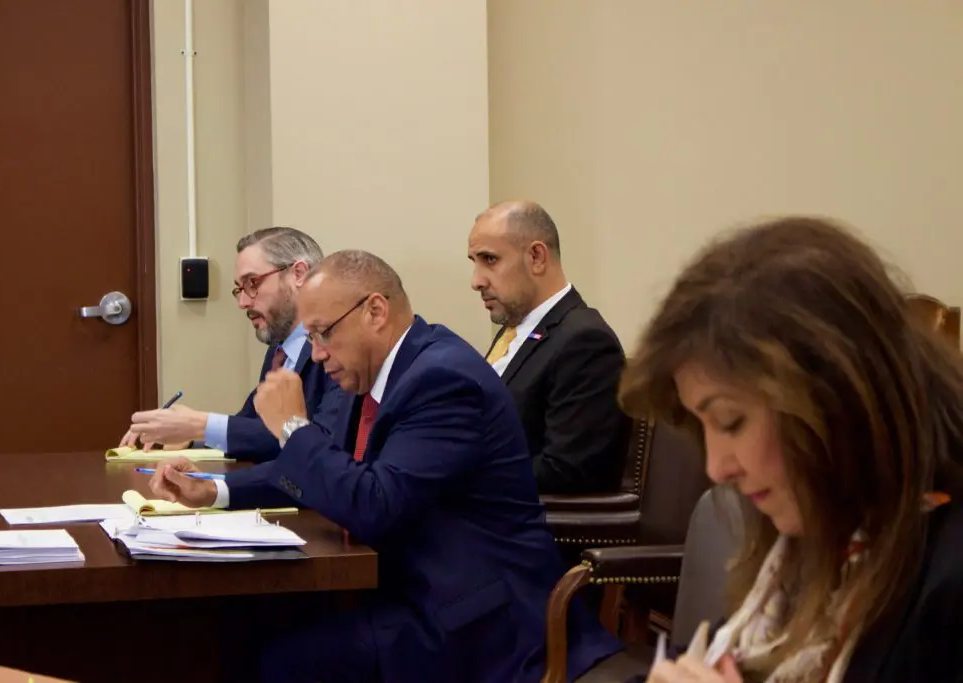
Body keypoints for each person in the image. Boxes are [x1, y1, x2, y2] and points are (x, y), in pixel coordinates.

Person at [149, 250, 622, 682]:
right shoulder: (379, 372)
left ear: (375, 311)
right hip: (406, 589)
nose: (316, 354)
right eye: (311, 336)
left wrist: (294, 428)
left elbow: (374, 503)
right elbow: (335, 467)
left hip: (472, 619)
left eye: (323, 333)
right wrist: (216, 494)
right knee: (238, 627)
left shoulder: (442, 379)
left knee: (279, 657)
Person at [616, 217, 963, 682]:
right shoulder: (810, 541)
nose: (717, 468)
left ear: (836, 398)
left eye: (731, 422)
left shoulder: (946, 575)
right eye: (704, 428)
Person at [121, 227, 339, 462]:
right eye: (239, 289)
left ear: (299, 274)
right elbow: (255, 429)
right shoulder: (279, 351)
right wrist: (190, 437)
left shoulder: (337, 347)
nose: (243, 303)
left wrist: (200, 425)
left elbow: (317, 443)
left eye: (252, 283)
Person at [468, 200, 631, 494]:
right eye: (474, 262)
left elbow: (567, 471)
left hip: (527, 530)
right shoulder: (515, 332)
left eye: (489, 260)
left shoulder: (585, 342)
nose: (476, 281)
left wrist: (460, 478)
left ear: (536, 257)